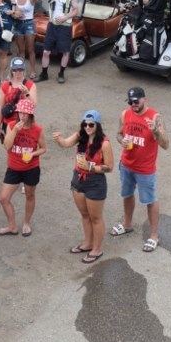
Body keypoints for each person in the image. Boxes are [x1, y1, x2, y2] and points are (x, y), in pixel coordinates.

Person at [111, 86, 169, 253]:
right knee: (127, 195)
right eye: (130, 101)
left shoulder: (155, 117)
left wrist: (155, 130)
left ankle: (154, 236)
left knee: (150, 200)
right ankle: (127, 224)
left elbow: (165, 144)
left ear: (144, 99)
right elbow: (118, 134)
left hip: (145, 169)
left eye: (136, 101)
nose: (133, 104)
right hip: (127, 165)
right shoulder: (125, 114)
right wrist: (121, 140)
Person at [53, 109, 113, 264]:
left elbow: (109, 167)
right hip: (78, 179)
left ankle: (97, 249)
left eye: (91, 124)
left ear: (97, 125)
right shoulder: (81, 135)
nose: (87, 127)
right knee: (85, 215)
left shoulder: (104, 143)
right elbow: (66, 143)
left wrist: (90, 167)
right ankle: (87, 243)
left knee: (96, 218)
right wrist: (59, 139)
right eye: (85, 124)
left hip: (95, 182)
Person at [0, 98, 45, 237]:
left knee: (30, 195)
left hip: (31, 168)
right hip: (14, 168)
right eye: (20, 113)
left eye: (25, 113)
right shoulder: (12, 125)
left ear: (31, 114)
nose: (22, 116)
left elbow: (43, 149)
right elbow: (7, 146)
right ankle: (12, 226)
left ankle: (26, 223)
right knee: (4, 198)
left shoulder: (37, 129)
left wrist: (32, 153)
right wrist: (14, 131)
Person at [37, 0, 80, 84]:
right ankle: (44, 73)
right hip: (52, 25)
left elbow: (76, 10)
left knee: (65, 52)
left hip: (65, 27)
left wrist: (65, 17)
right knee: (46, 51)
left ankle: (61, 73)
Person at [0, 57, 38, 140]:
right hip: (8, 124)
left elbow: (33, 105)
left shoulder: (30, 85)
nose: (18, 72)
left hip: (24, 123)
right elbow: (0, 107)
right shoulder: (5, 85)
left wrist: (27, 93)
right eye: (15, 70)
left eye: (20, 70)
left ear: (24, 70)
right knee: (9, 149)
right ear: (11, 70)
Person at [12, 0, 37, 78]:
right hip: (18, 24)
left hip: (29, 23)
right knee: (20, 50)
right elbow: (13, 11)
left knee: (30, 49)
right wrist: (15, 15)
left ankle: (32, 71)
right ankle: (21, 70)